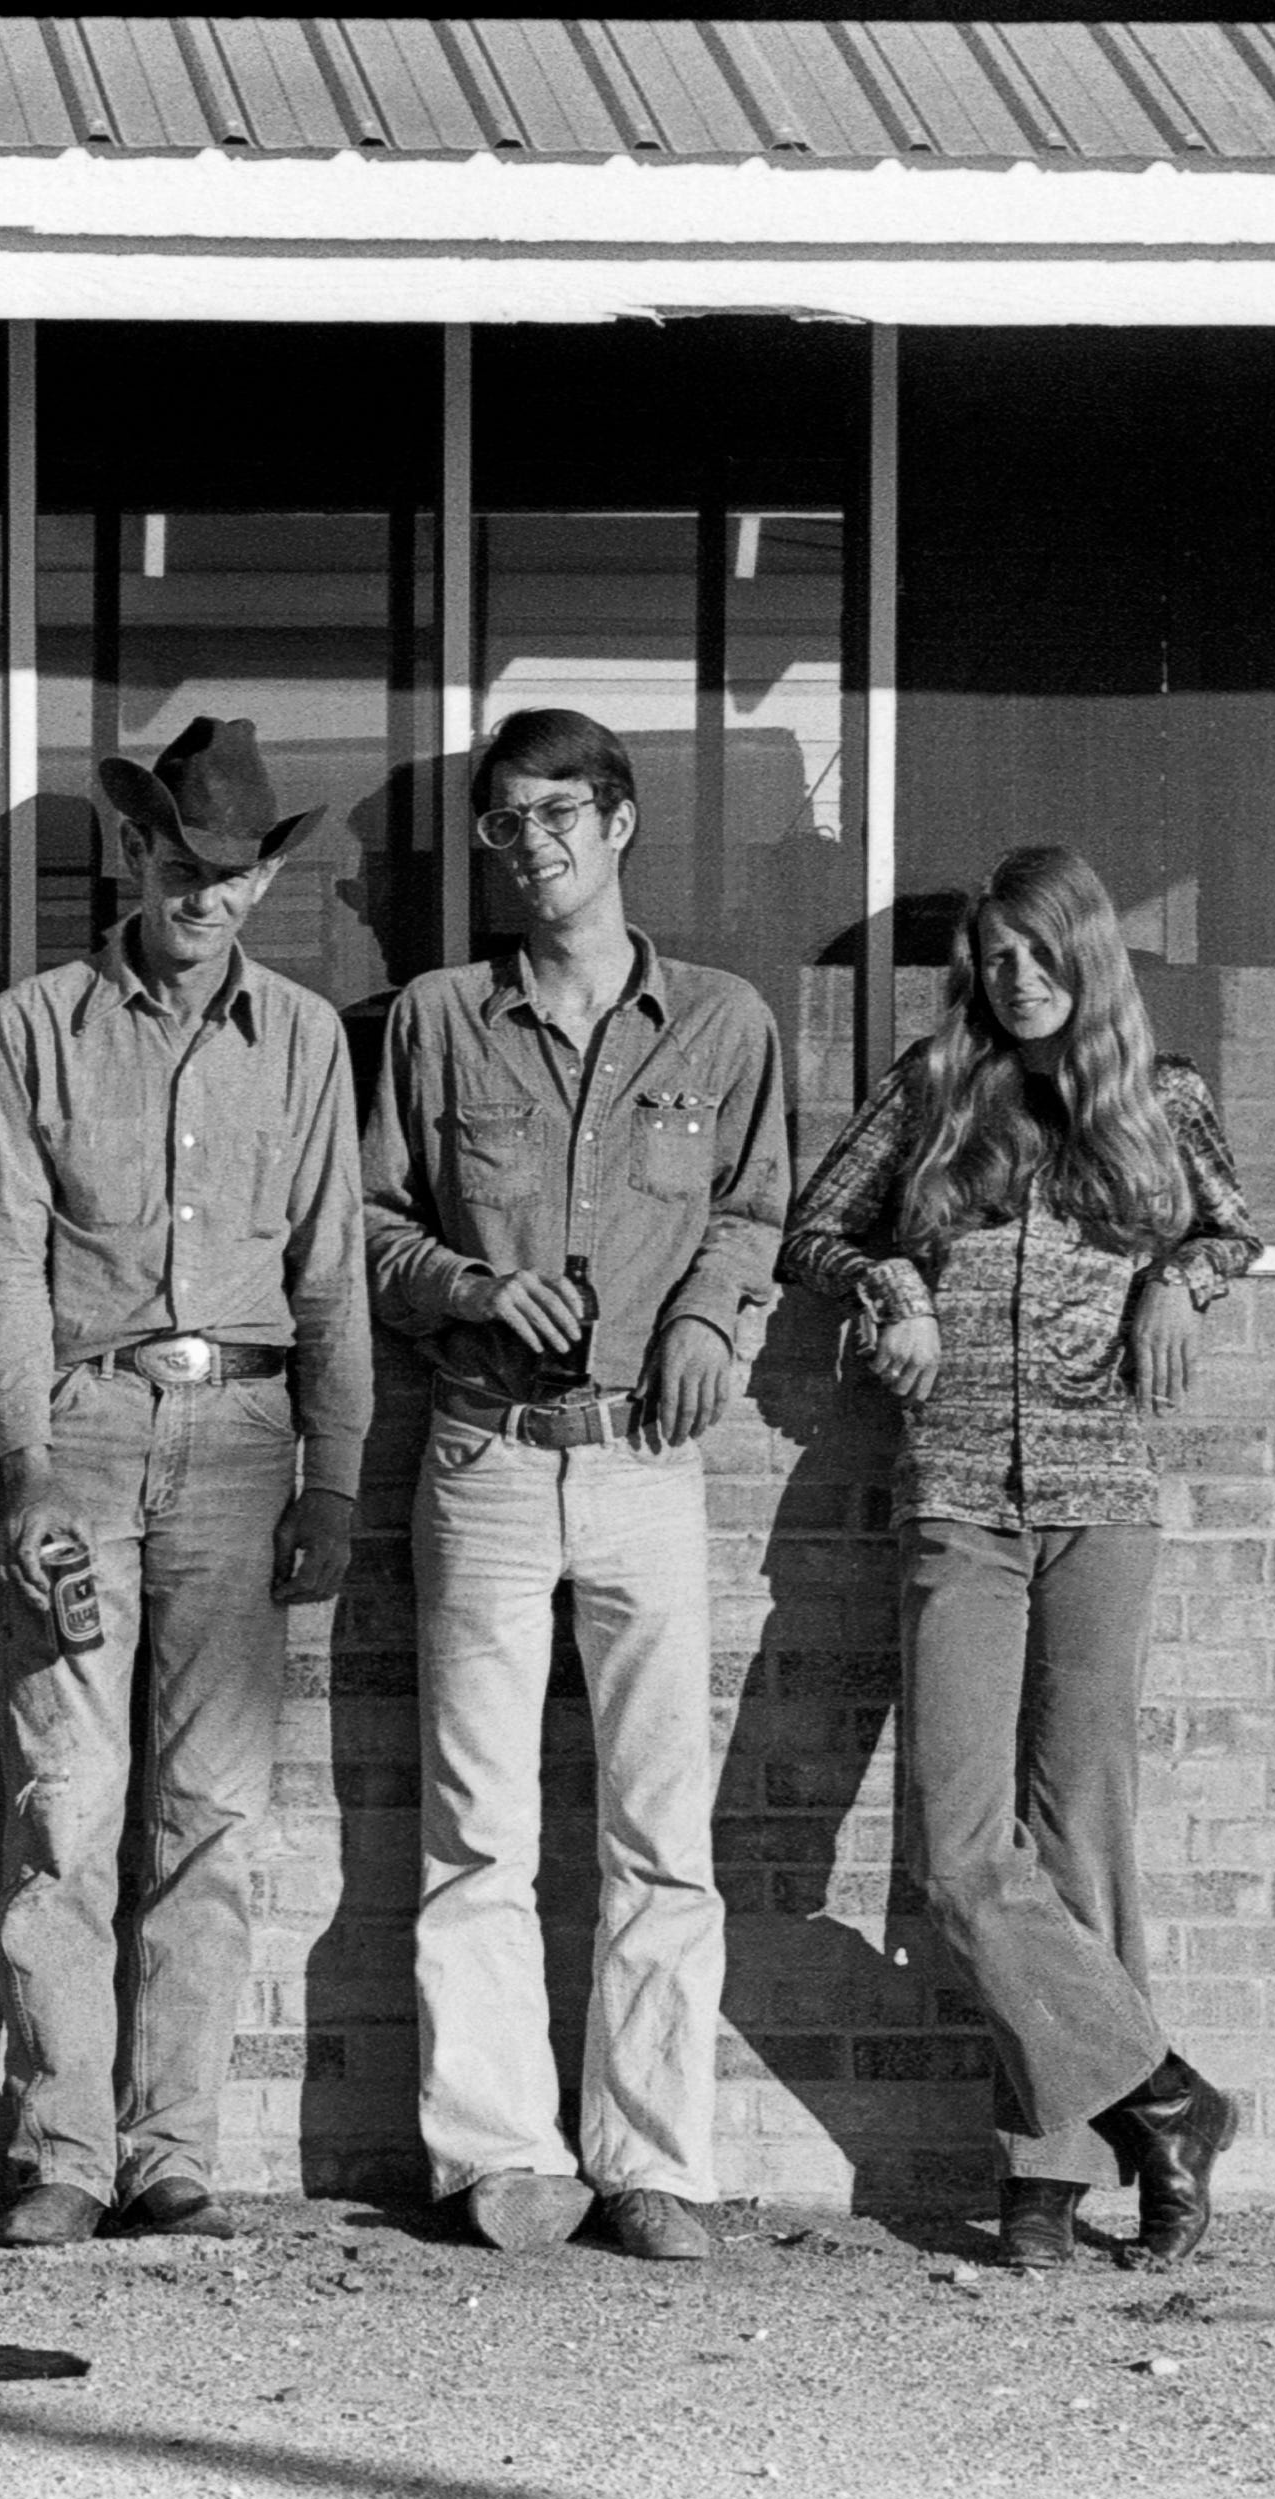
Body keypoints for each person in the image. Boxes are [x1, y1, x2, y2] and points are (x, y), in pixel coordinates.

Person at [784, 845, 1259, 2272]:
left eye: (1039, 955)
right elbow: (813, 1226)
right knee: (958, 1850)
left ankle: (1048, 2178)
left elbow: (1233, 1227)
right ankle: (1166, 2099)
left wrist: (1177, 1275)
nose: (1015, 980)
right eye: (993, 958)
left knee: (1080, 1839)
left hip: (1100, 1499)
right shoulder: (930, 1094)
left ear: (1087, 958)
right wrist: (891, 1281)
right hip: (957, 1503)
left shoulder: (1160, 1098)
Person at [361, 705, 786, 2263]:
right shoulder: (435, 1019)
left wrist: (702, 1318)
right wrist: (474, 1289)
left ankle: (651, 2155)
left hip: (643, 1459)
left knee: (657, 1821)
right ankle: (496, 2150)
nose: (528, 849)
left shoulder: (723, 1021)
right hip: (479, 1450)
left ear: (616, 825)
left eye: (554, 817)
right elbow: (368, 1223)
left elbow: (753, 1208)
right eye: (501, 825)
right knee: (477, 1823)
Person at [0, 718, 372, 2247]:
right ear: (131, 854)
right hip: (77, 1425)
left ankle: (171, 2149)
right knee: (62, 1801)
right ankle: (59, 2150)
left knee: (210, 1809)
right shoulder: (35, 1027)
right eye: (181, 864)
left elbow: (331, 1274)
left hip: (242, 1442)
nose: (206, 896)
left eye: (238, 870)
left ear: (266, 876)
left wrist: (332, 1473)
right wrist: (20, 1467)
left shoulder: (306, 1041)